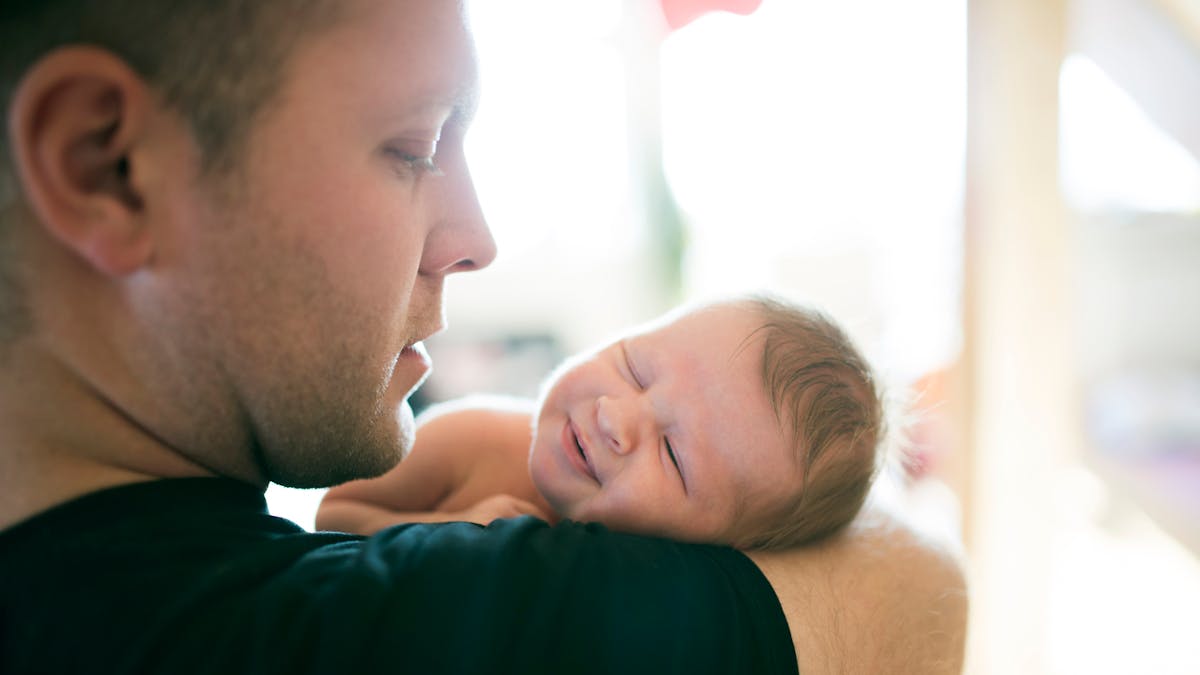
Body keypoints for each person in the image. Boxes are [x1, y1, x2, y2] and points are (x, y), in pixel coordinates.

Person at [0, 2, 967, 674]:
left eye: (675, 451)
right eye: (412, 148)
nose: (477, 240)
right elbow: (924, 594)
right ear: (110, 165)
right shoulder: (393, 623)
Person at [319, 294, 885, 550]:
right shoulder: (477, 438)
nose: (616, 417)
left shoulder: (645, 583)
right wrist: (455, 529)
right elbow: (331, 515)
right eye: (634, 366)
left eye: (672, 456)